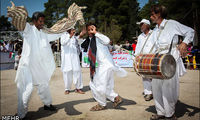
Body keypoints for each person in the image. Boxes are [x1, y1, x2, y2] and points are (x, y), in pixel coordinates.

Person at [13, 12, 64, 119]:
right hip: (27, 66)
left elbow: (56, 34)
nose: (42, 23)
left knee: (44, 84)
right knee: (27, 89)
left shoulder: (44, 33)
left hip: (39, 66)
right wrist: (18, 14)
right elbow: (21, 24)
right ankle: (20, 114)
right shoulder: (28, 30)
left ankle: (47, 104)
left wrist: (67, 25)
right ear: (34, 21)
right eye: (40, 21)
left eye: (43, 21)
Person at [149, 4, 194, 120]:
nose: (150, 17)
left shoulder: (172, 24)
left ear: (159, 14)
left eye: (152, 14)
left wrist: (184, 43)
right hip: (158, 58)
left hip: (170, 58)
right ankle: (160, 112)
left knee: (168, 86)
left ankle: (170, 114)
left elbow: (190, 31)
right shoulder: (155, 30)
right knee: (156, 86)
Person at [81, 23, 127, 111]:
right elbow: (82, 46)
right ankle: (116, 98)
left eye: (92, 28)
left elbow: (107, 40)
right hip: (103, 65)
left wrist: (96, 33)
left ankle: (102, 104)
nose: (90, 30)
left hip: (106, 64)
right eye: (89, 29)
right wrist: (81, 35)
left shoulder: (99, 36)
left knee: (97, 85)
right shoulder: (89, 39)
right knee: (105, 85)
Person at [60, 28, 85, 94]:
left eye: (74, 28)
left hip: (75, 57)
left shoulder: (74, 37)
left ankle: (78, 88)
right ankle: (67, 88)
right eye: (72, 29)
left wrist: (81, 35)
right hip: (66, 57)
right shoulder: (63, 35)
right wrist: (70, 35)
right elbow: (62, 43)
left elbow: (79, 43)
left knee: (77, 71)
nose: (74, 30)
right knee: (67, 72)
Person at [135, 19, 153, 101]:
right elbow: (138, 48)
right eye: (140, 25)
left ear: (147, 25)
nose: (140, 26)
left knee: (155, 76)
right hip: (143, 59)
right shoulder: (140, 36)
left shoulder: (154, 33)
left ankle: (155, 91)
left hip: (153, 58)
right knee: (145, 76)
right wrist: (136, 57)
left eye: (142, 24)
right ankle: (148, 93)